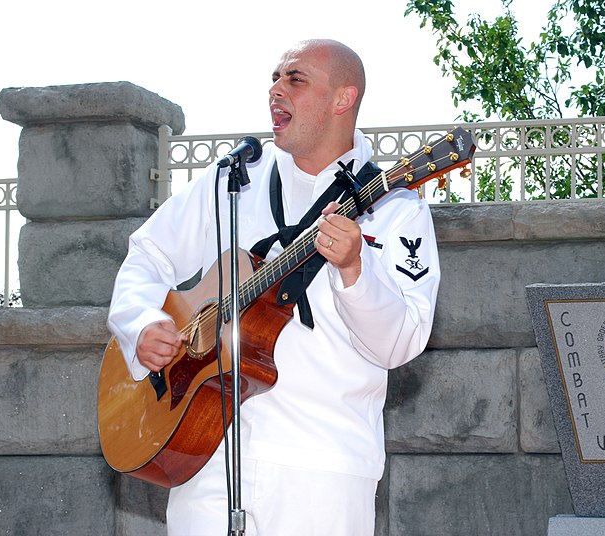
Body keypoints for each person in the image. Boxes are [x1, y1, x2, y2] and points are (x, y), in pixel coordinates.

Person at [107, 39, 440, 536]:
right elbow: (147, 255)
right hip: (208, 458)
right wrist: (142, 323)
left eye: (295, 79)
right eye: (275, 77)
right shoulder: (233, 181)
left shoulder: (395, 209)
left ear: (343, 99)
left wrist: (355, 270)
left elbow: (400, 342)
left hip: (323, 472)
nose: (274, 90)